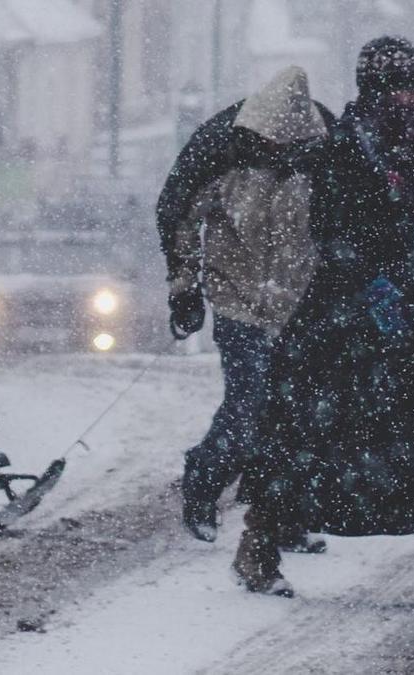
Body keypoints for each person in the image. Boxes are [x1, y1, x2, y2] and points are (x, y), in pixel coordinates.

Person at [235, 37, 414, 611]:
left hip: (394, 313)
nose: (412, 97)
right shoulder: (347, 148)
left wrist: (387, 288)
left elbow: (396, 231)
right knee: (309, 435)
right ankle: (260, 544)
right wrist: (364, 280)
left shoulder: (402, 147)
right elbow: (330, 228)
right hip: (341, 316)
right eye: (399, 86)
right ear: (374, 90)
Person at [156, 66, 332, 551]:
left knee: (298, 415)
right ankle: (203, 481)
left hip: (298, 304)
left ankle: (281, 517)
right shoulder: (221, 152)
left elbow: (345, 223)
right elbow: (180, 217)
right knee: (249, 408)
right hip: (238, 300)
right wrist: (185, 287)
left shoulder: (323, 154)